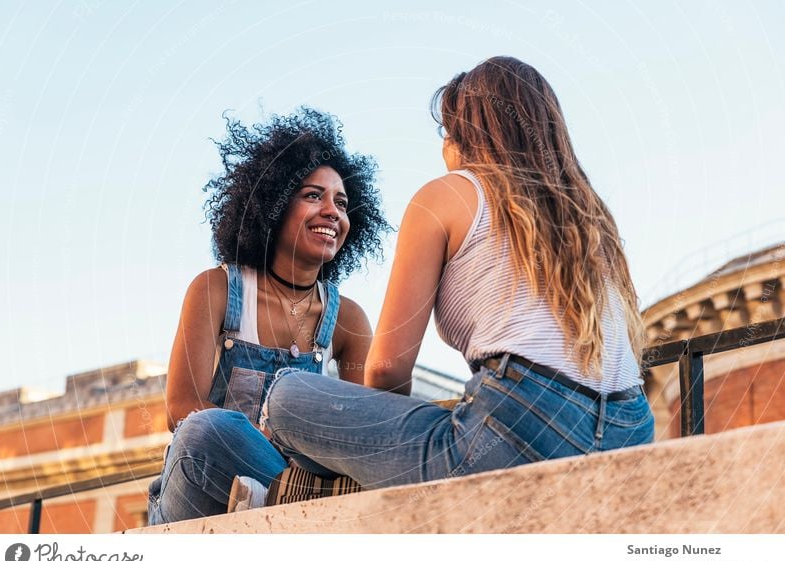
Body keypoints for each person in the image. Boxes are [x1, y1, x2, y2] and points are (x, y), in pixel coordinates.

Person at [263, 56, 654, 490]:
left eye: (446, 132)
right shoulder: (591, 217)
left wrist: (381, 447)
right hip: (632, 429)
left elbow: (386, 371)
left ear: (463, 136)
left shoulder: (448, 193)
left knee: (288, 398)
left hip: (519, 429)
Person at [147, 108, 389, 524]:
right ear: (272, 207)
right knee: (206, 428)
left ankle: (276, 499)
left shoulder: (348, 319)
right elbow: (180, 407)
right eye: (313, 195)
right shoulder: (217, 289)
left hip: (294, 487)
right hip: (203, 482)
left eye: (342, 203)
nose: (333, 211)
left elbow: (360, 432)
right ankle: (285, 497)